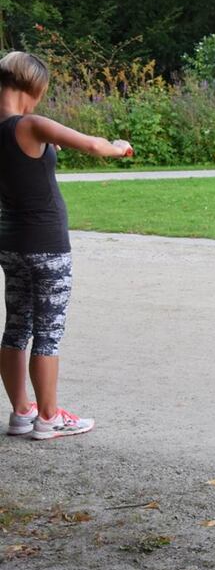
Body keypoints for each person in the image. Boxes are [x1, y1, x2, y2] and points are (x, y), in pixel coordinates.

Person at [0, 51, 132, 440]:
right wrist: (118, 146)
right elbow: (92, 145)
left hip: (9, 242)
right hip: (47, 244)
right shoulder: (31, 124)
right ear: (32, 87)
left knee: (16, 327)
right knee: (48, 331)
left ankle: (21, 413)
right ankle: (49, 418)